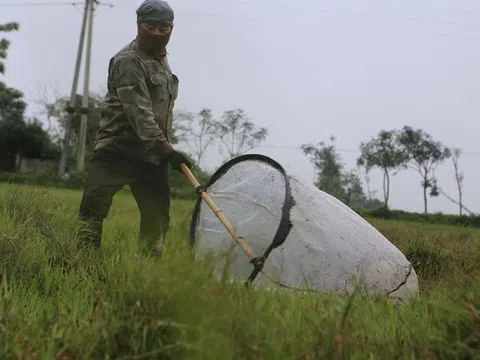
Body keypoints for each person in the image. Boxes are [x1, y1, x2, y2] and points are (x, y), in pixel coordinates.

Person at [77, 0, 191, 255]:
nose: (158, 33)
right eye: (151, 27)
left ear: (171, 28)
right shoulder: (128, 61)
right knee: (92, 212)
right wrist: (169, 151)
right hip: (117, 150)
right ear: (139, 26)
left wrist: (163, 152)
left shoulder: (162, 61)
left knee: (157, 221)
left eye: (164, 28)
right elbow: (139, 114)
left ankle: (148, 275)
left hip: (151, 157)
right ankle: (82, 266)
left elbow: (162, 112)